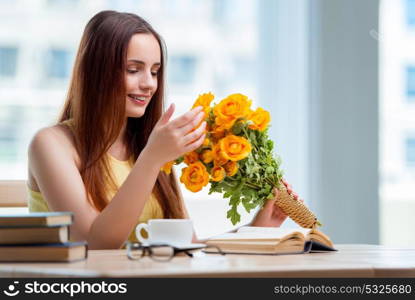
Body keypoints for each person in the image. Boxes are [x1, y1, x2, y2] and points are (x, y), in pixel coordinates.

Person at [27, 10, 300, 250]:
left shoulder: (149, 148)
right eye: (134, 70)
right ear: (97, 72)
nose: (149, 84)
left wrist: (257, 229)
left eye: (155, 72)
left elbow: (186, 248)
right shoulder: (51, 144)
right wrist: (152, 158)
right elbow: (94, 244)